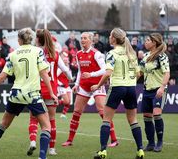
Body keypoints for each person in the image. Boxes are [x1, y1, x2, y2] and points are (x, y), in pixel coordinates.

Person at [0, 27, 57, 159]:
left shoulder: (13, 54)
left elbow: (2, 76)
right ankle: (42, 157)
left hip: (16, 94)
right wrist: (52, 93)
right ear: (31, 39)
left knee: (3, 123)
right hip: (32, 94)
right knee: (46, 126)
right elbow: (44, 73)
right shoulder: (38, 51)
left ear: (19, 40)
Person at [91, 28, 144, 159]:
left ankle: (103, 151)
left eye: (110, 36)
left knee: (106, 120)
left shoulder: (112, 53)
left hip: (117, 88)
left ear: (114, 38)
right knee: (133, 120)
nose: (109, 38)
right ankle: (140, 150)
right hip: (131, 89)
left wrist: (98, 86)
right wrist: (129, 81)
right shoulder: (131, 53)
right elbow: (138, 73)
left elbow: (108, 73)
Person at [62, 32, 118, 147]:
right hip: (84, 85)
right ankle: (69, 140)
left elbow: (105, 70)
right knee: (76, 112)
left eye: (85, 38)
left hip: (97, 85)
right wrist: (76, 84)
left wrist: (91, 75)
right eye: (81, 38)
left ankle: (114, 140)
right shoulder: (78, 54)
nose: (82, 40)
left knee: (102, 111)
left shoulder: (97, 54)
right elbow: (80, 71)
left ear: (91, 41)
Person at [27, 29, 72, 156]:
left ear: (38, 39)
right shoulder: (56, 54)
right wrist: (70, 78)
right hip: (51, 90)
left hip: (37, 89)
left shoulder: (34, 53)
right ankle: (51, 149)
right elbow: (66, 70)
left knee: (33, 118)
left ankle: (32, 142)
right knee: (51, 120)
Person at [138, 33, 169, 152]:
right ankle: (151, 143)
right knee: (147, 117)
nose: (145, 42)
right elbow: (139, 73)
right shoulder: (145, 56)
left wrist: (162, 87)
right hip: (146, 90)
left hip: (158, 90)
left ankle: (159, 142)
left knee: (156, 114)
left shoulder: (162, 56)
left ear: (154, 42)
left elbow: (167, 73)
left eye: (147, 40)